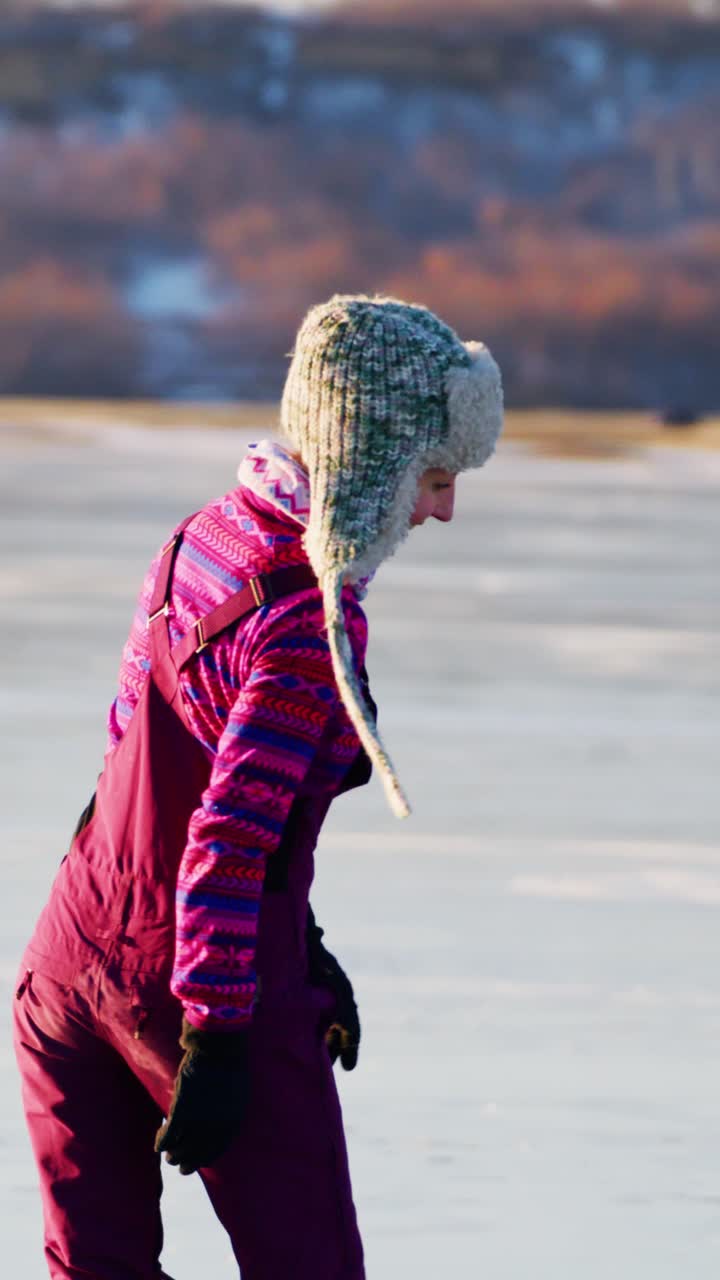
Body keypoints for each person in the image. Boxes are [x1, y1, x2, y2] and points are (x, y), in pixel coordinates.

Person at [13, 294, 503, 1280]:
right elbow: (228, 842)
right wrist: (219, 1035)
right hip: (195, 978)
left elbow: (131, 741)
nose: (442, 508)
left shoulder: (202, 536)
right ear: (371, 462)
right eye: (435, 475)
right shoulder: (305, 628)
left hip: (65, 959)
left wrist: (306, 940)